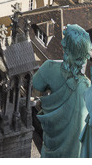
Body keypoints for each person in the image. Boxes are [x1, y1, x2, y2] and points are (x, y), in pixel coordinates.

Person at [33, 23, 92, 157]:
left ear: (65, 46)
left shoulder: (49, 68)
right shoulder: (87, 86)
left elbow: (36, 84)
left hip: (51, 145)